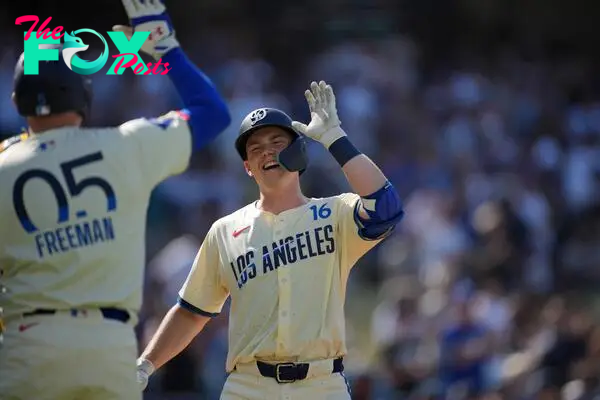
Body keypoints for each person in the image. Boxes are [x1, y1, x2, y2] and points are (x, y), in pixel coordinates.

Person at [0, 0, 231, 399]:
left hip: (28, 344)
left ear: (18, 101)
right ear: (83, 96)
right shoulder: (128, 145)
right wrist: (166, 50)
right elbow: (212, 112)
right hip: (109, 347)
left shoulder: (3, 163)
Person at [137, 80, 405, 399]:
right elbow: (191, 311)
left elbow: (386, 208)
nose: (267, 151)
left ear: (298, 150)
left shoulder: (335, 214)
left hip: (321, 384)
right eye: (255, 148)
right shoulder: (225, 230)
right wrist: (145, 365)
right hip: (248, 386)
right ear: (248, 167)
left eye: (277, 141)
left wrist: (334, 138)